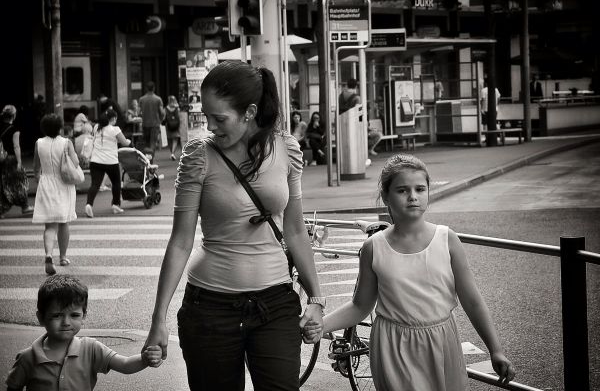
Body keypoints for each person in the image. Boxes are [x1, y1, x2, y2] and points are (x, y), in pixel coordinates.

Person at [142, 60, 324, 390]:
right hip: (210, 308)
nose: (211, 126)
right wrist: (158, 320)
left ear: (249, 112)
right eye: (207, 117)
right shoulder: (199, 156)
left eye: (219, 118)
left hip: (276, 304)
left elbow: (296, 231)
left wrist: (316, 301)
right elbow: (181, 242)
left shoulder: (286, 149)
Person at [310, 154, 516, 390]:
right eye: (402, 190)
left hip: (442, 342)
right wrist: (320, 326)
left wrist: (495, 349)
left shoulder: (447, 239)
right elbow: (360, 306)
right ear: (386, 196)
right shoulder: (373, 247)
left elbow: (472, 300)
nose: (413, 197)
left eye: (420, 189)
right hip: (393, 346)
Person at [5, 274, 162, 391]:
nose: (66, 322)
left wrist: (145, 359)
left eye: (74, 315)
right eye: (57, 315)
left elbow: (125, 364)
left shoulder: (91, 348)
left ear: (84, 316)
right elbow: (13, 387)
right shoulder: (28, 358)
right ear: (41, 318)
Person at [31, 114, 78, 275]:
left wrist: (40, 181)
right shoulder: (66, 143)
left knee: (50, 225)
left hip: (46, 182)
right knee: (64, 222)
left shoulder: (39, 143)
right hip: (63, 184)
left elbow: (36, 168)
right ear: (59, 127)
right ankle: (63, 257)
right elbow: (76, 163)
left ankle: (48, 254)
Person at [85, 109, 131, 218]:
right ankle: (115, 205)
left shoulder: (97, 127)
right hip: (111, 161)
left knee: (95, 184)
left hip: (95, 161)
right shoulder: (115, 129)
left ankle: (89, 204)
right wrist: (129, 141)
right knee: (116, 183)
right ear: (113, 119)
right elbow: (124, 143)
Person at [0, 105, 34, 218]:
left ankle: (1, 209)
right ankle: (25, 206)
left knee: (2, 183)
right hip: (10, 159)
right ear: (14, 116)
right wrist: (19, 161)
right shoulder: (14, 130)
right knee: (19, 182)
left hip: (1, 159)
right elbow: (16, 147)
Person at [139, 81, 165, 155]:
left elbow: (138, 112)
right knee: (153, 143)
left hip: (145, 124)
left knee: (146, 143)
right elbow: (162, 113)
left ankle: (147, 159)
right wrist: (160, 120)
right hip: (155, 124)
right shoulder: (158, 99)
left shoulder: (142, 99)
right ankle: (151, 160)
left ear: (146, 89)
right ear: (154, 88)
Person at [164, 95, 181, 160]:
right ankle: (173, 153)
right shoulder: (177, 108)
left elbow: (164, 117)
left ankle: (172, 153)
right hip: (176, 125)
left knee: (170, 139)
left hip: (168, 126)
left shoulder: (166, 108)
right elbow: (179, 116)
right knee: (175, 139)